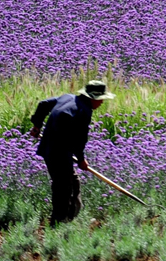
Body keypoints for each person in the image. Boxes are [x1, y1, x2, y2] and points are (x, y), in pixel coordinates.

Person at [30, 80, 115, 224]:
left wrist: (37, 125)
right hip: (58, 153)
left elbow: (43, 104)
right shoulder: (84, 111)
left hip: (52, 148)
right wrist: (81, 159)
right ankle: (59, 221)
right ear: (92, 98)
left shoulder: (66, 97)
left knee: (72, 182)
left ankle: (72, 216)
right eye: (100, 100)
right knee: (62, 187)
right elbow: (79, 139)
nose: (101, 103)